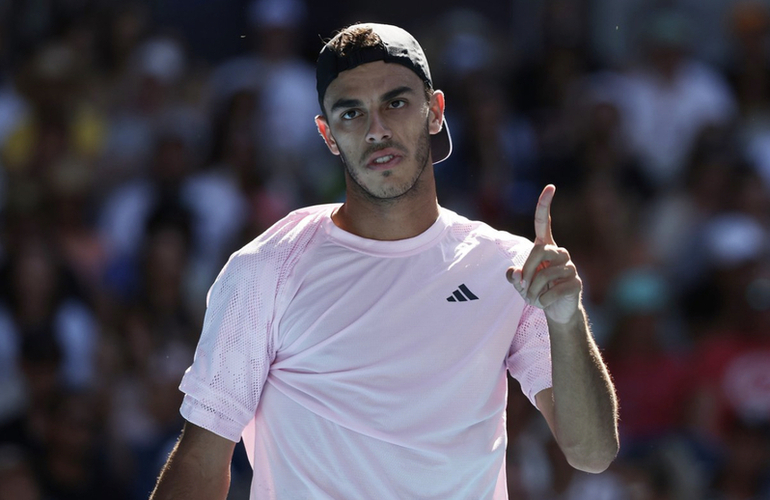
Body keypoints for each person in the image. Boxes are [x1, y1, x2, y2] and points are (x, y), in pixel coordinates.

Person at [149, 23, 618, 499]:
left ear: (435, 111)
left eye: (395, 103)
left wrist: (566, 319)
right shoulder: (265, 269)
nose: (377, 130)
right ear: (328, 135)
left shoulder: (511, 268)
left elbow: (592, 452)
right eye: (351, 113)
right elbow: (201, 460)